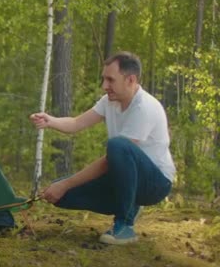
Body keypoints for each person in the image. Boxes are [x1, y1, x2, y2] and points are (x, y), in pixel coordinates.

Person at [29, 51, 175, 245]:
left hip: (155, 184)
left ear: (130, 80)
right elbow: (75, 123)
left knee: (117, 146)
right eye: (104, 79)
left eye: (110, 80)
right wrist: (50, 121)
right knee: (61, 196)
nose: (104, 86)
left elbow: (111, 160)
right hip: (125, 178)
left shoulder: (145, 107)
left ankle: (124, 226)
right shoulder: (109, 102)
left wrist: (65, 184)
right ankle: (129, 204)